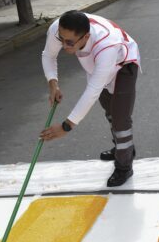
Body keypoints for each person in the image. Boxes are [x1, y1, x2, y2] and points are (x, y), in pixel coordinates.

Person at [40, 10, 140, 187]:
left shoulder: (107, 44)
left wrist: (67, 126)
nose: (63, 45)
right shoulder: (59, 29)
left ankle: (124, 165)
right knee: (109, 110)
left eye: (69, 42)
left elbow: (93, 89)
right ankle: (120, 148)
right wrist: (53, 83)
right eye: (61, 39)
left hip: (122, 63)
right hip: (96, 66)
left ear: (86, 36)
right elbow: (48, 55)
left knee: (120, 117)